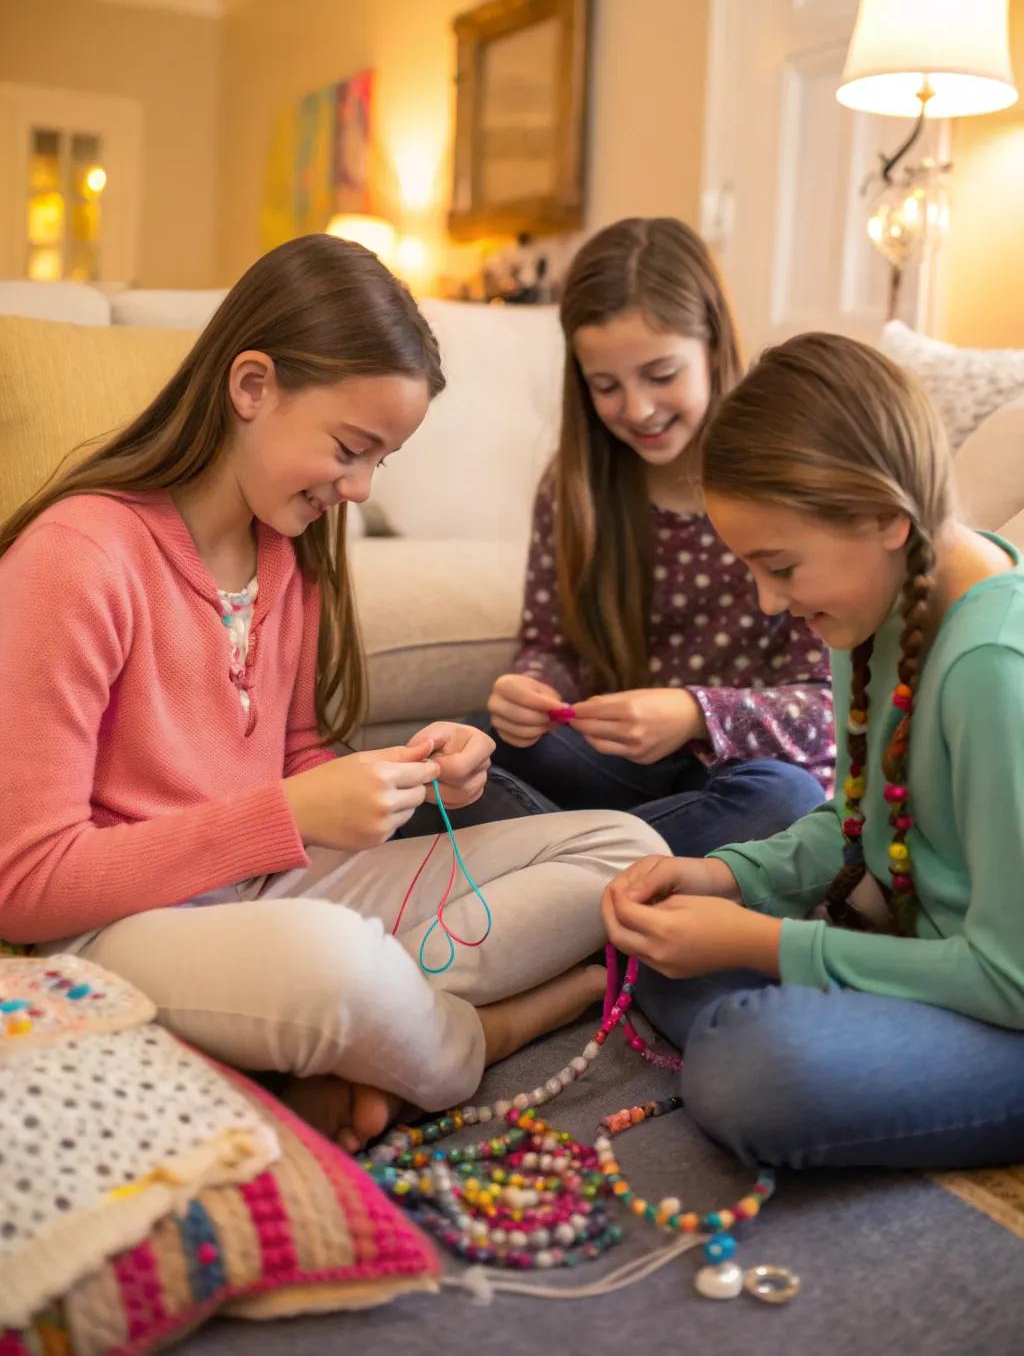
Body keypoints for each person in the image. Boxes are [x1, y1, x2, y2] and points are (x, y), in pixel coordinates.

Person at [0, 233, 665, 1152]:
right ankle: (471, 1040)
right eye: (351, 448)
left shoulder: (289, 553)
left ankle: (331, 1044)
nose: (357, 489)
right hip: (117, 928)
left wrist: (410, 775)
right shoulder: (80, 560)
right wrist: (284, 813)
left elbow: (300, 763)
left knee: (623, 847)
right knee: (335, 964)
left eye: (380, 462)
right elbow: (26, 885)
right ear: (251, 387)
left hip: (276, 889)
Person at [605, 332, 1024, 1169]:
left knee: (756, 1071)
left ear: (884, 516)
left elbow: (1010, 977)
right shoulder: (870, 604)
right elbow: (865, 819)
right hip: (928, 963)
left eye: (781, 567)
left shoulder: (993, 668)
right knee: (650, 946)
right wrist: (722, 878)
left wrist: (758, 945)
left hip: (1005, 1000)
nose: (767, 602)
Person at [487, 217, 829, 856]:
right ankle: (602, 866)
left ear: (714, 344)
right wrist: (530, 690)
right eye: (606, 387)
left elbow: (831, 711)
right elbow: (551, 644)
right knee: (469, 743)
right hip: (619, 770)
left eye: (662, 373)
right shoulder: (574, 490)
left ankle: (563, 870)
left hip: (747, 774)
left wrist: (697, 714)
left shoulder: (785, 478)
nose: (638, 409)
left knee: (787, 803)